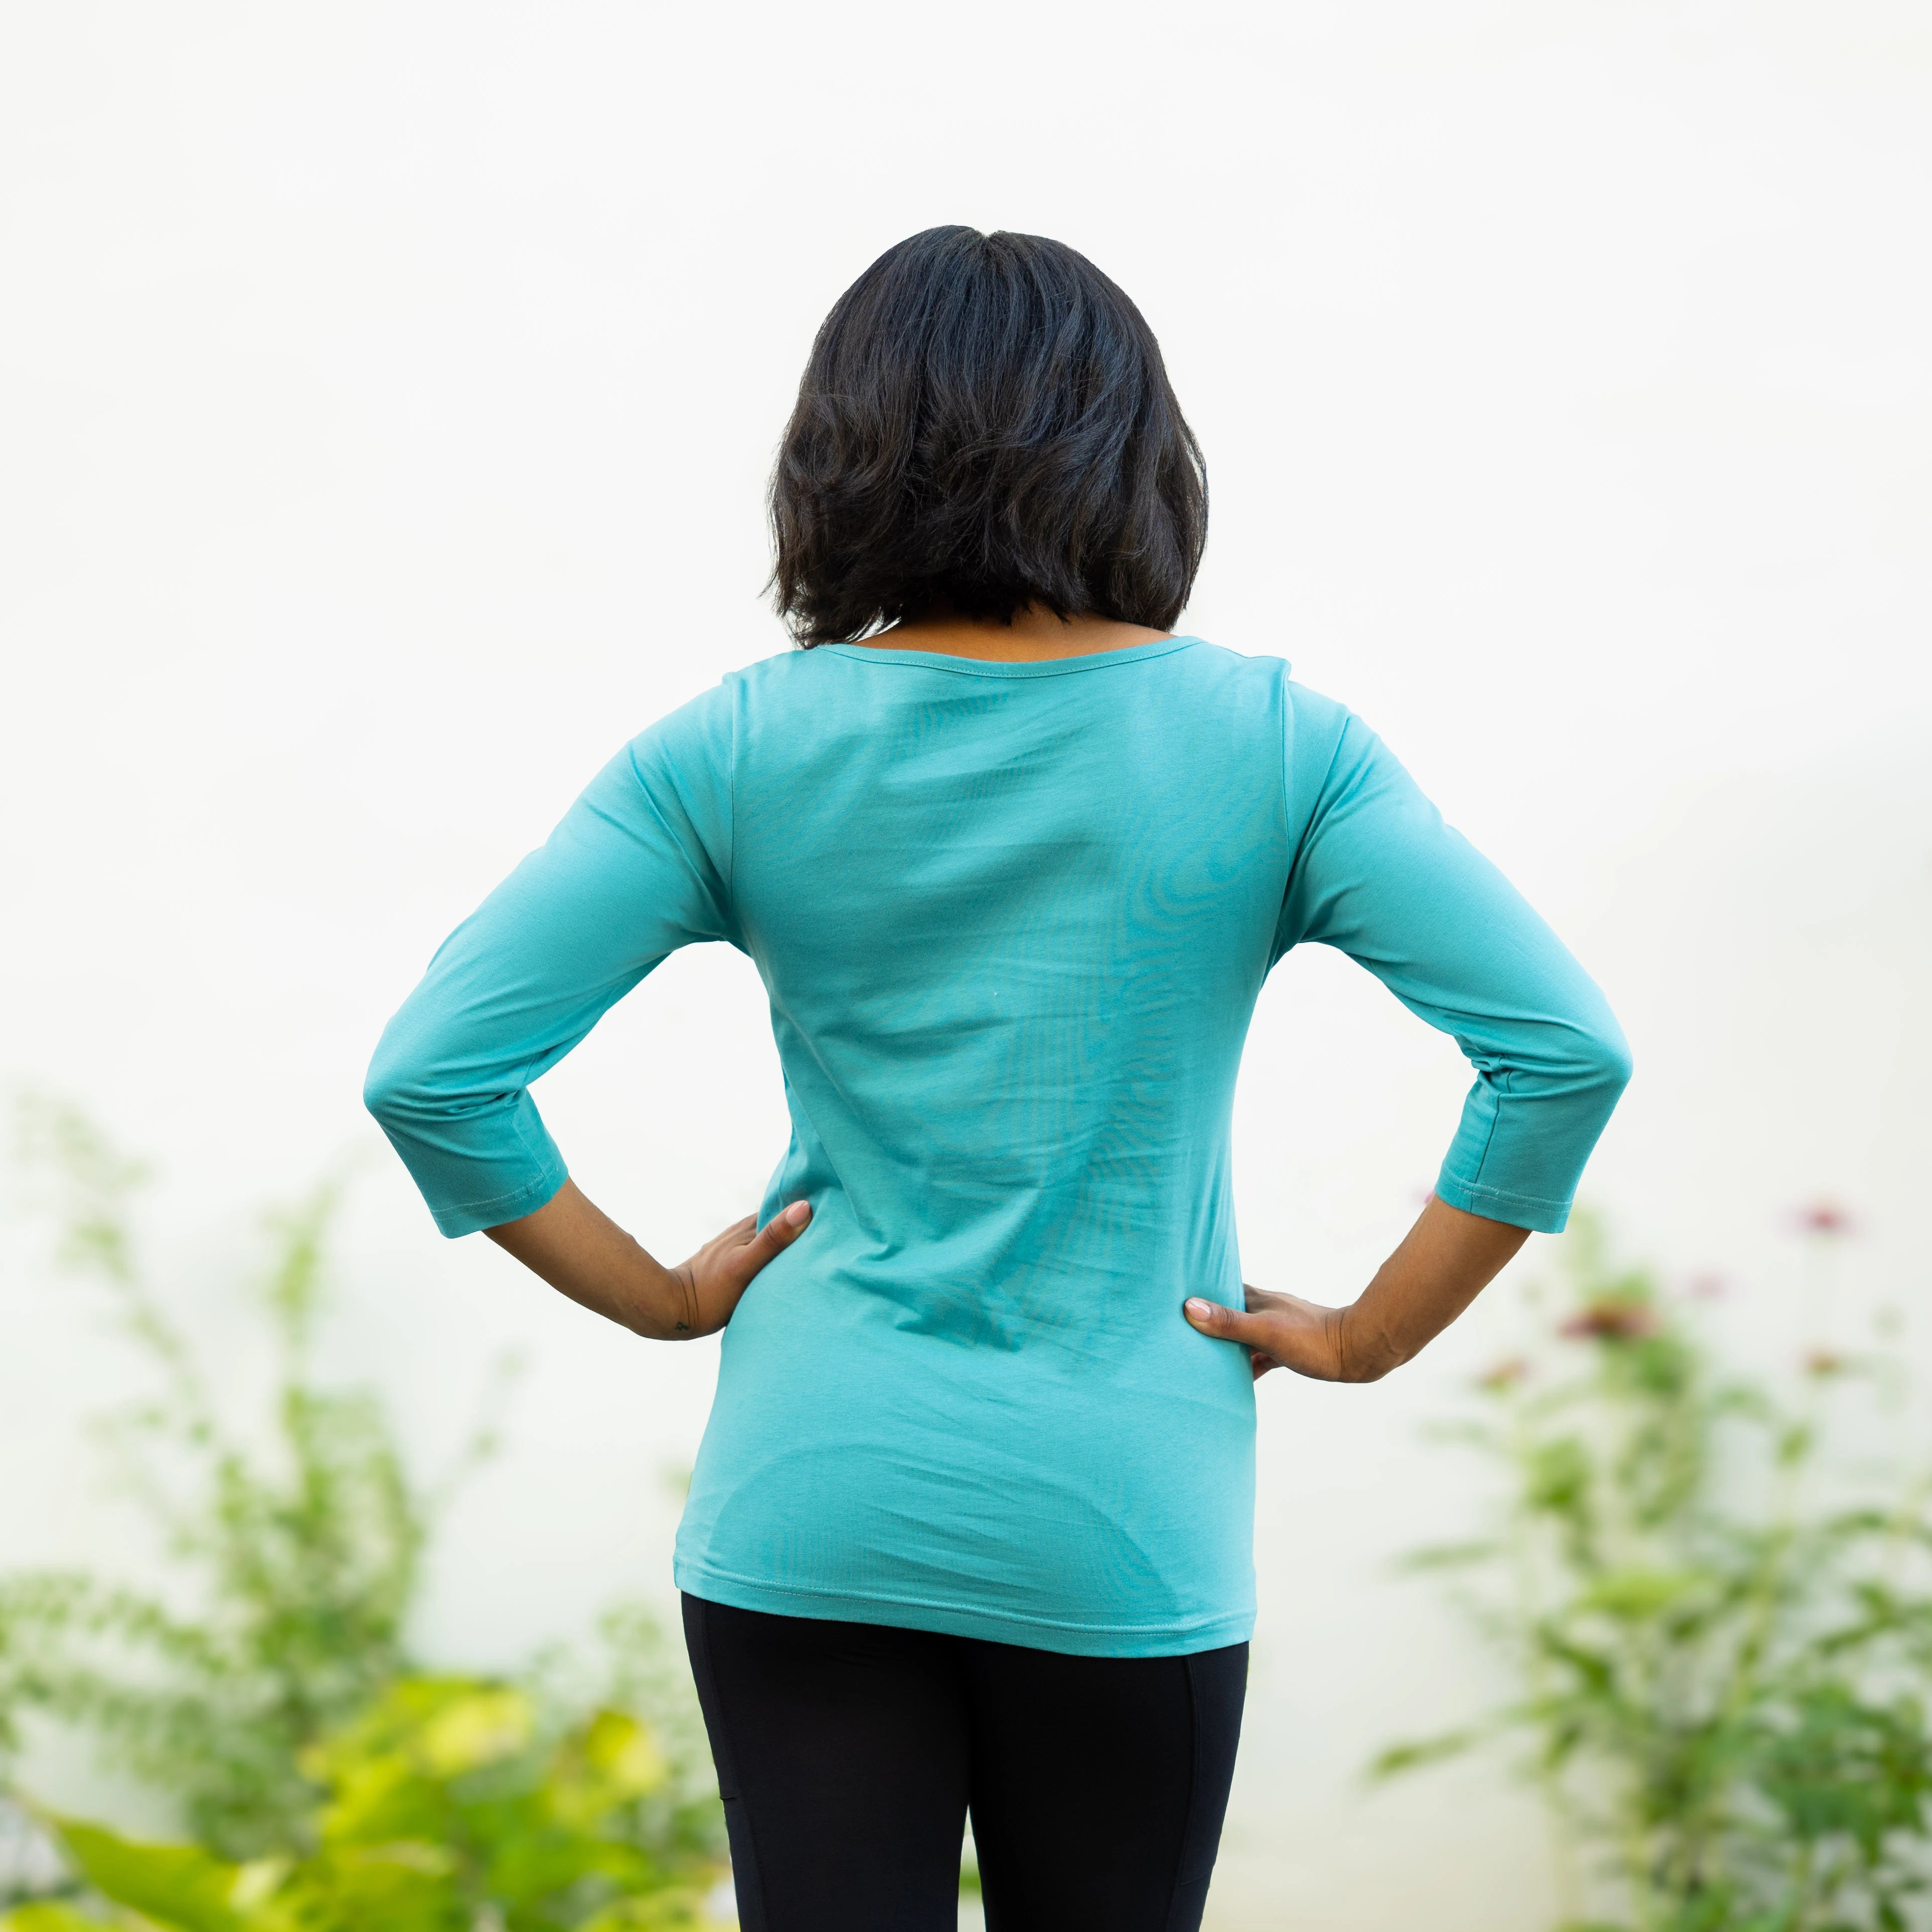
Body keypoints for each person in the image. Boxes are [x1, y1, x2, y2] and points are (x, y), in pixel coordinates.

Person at [365, 225, 1631, 1932]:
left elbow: (437, 1074)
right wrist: (1364, 1334)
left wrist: (665, 1303)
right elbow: (1561, 1052)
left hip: (811, 1501)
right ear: (1136, 450)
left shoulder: (736, 745)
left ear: (837, 456)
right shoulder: (1275, 745)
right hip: (1123, 1511)